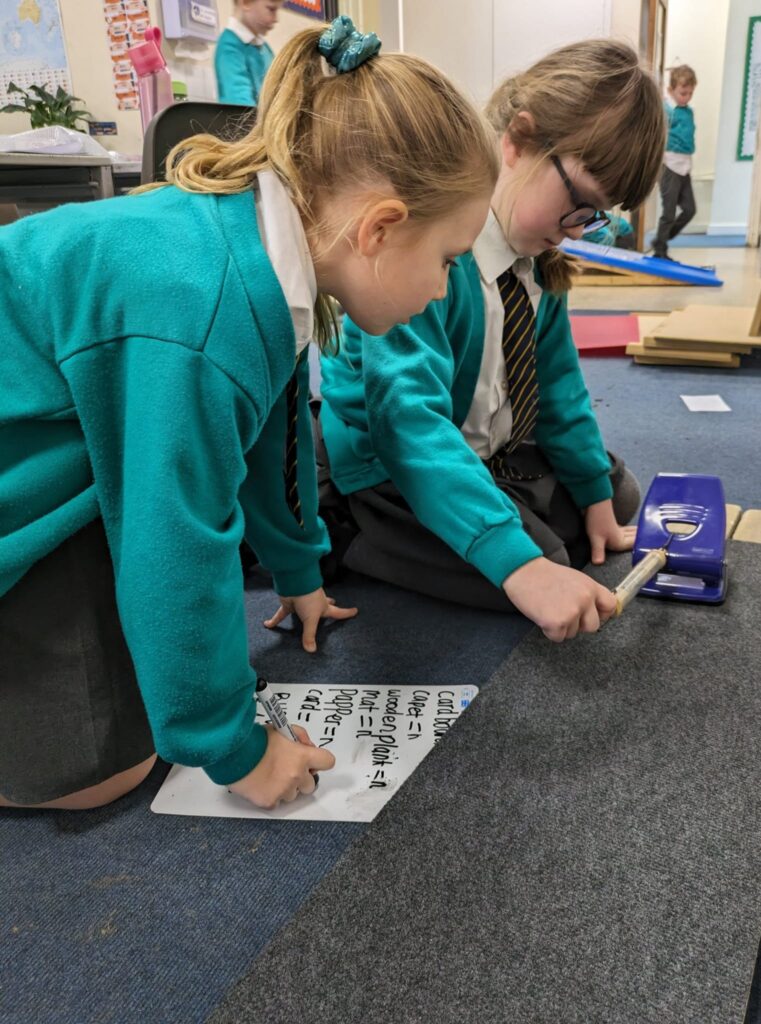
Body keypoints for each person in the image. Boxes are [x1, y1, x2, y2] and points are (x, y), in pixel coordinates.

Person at [0, 18, 498, 811]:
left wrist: (297, 570)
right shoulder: (205, 309)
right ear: (379, 228)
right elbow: (175, 531)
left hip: (54, 439)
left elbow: (274, 434)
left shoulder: (269, 246)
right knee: (106, 774)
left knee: (151, 671)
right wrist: (234, 748)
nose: (443, 291)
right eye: (446, 260)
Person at [318, 39, 665, 644]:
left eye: (596, 217)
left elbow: (559, 390)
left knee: (615, 494)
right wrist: (522, 563)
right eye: (579, 204)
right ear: (520, 141)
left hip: (487, 450)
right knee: (541, 566)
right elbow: (410, 425)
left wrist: (593, 494)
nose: (577, 230)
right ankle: (348, 532)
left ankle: (507, 519)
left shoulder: (540, 264)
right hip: (394, 463)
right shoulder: (426, 263)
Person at [652, 64, 697, 261]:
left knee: (690, 209)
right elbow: (658, 112)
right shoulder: (668, 110)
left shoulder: (688, 112)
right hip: (669, 166)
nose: (686, 97)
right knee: (668, 212)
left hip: (685, 167)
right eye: (683, 93)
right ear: (671, 91)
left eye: (690, 93)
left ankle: (662, 239)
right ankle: (660, 250)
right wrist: (660, 98)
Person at [215, 0, 282, 106]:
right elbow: (240, 106)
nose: (276, 19)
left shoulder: (264, 48)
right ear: (246, 3)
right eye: (271, 9)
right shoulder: (230, 47)